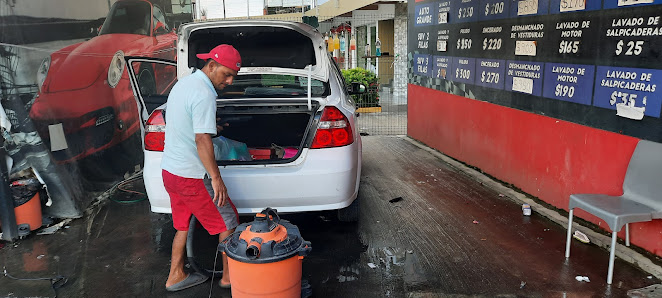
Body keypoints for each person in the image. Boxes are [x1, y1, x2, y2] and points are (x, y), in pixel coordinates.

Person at [161, 44, 242, 292]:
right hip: (191, 176)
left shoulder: (184, 83)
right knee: (228, 220)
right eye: (226, 74)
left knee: (182, 224)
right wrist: (216, 179)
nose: (229, 81)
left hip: (170, 171)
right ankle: (229, 278)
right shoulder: (205, 93)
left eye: (233, 77)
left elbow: (187, 124)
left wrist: (210, 129)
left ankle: (176, 275)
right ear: (212, 65)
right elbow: (201, 140)